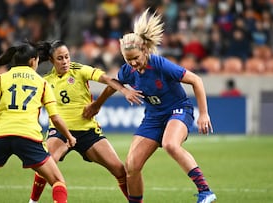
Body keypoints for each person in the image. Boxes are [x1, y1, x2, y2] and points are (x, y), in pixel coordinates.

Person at [83, 8, 217, 203]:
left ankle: (205, 191)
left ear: (144, 50)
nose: (133, 63)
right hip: (153, 117)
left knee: (170, 144)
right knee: (132, 165)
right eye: (128, 60)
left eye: (136, 58)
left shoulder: (160, 64)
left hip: (178, 110)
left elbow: (196, 80)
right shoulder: (128, 70)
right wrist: (98, 104)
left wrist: (203, 114)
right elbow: (114, 84)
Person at [0, 42, 76, 203]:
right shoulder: (42, 83)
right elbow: (55, 118)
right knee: (58, 181)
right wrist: (69, 137)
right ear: (32, 61)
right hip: (28, 136)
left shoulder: (0, 79)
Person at [28, 40, 143, 203]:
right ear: (52, 60)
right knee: (46, 164)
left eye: (67, 57)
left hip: (87, 131)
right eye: (60, 58)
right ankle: (33, 202)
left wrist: (124, 90)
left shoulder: (79, 70)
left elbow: (106, 79)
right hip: (61, 132)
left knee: (119, 170)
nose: (65, 61)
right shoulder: (45, 81)